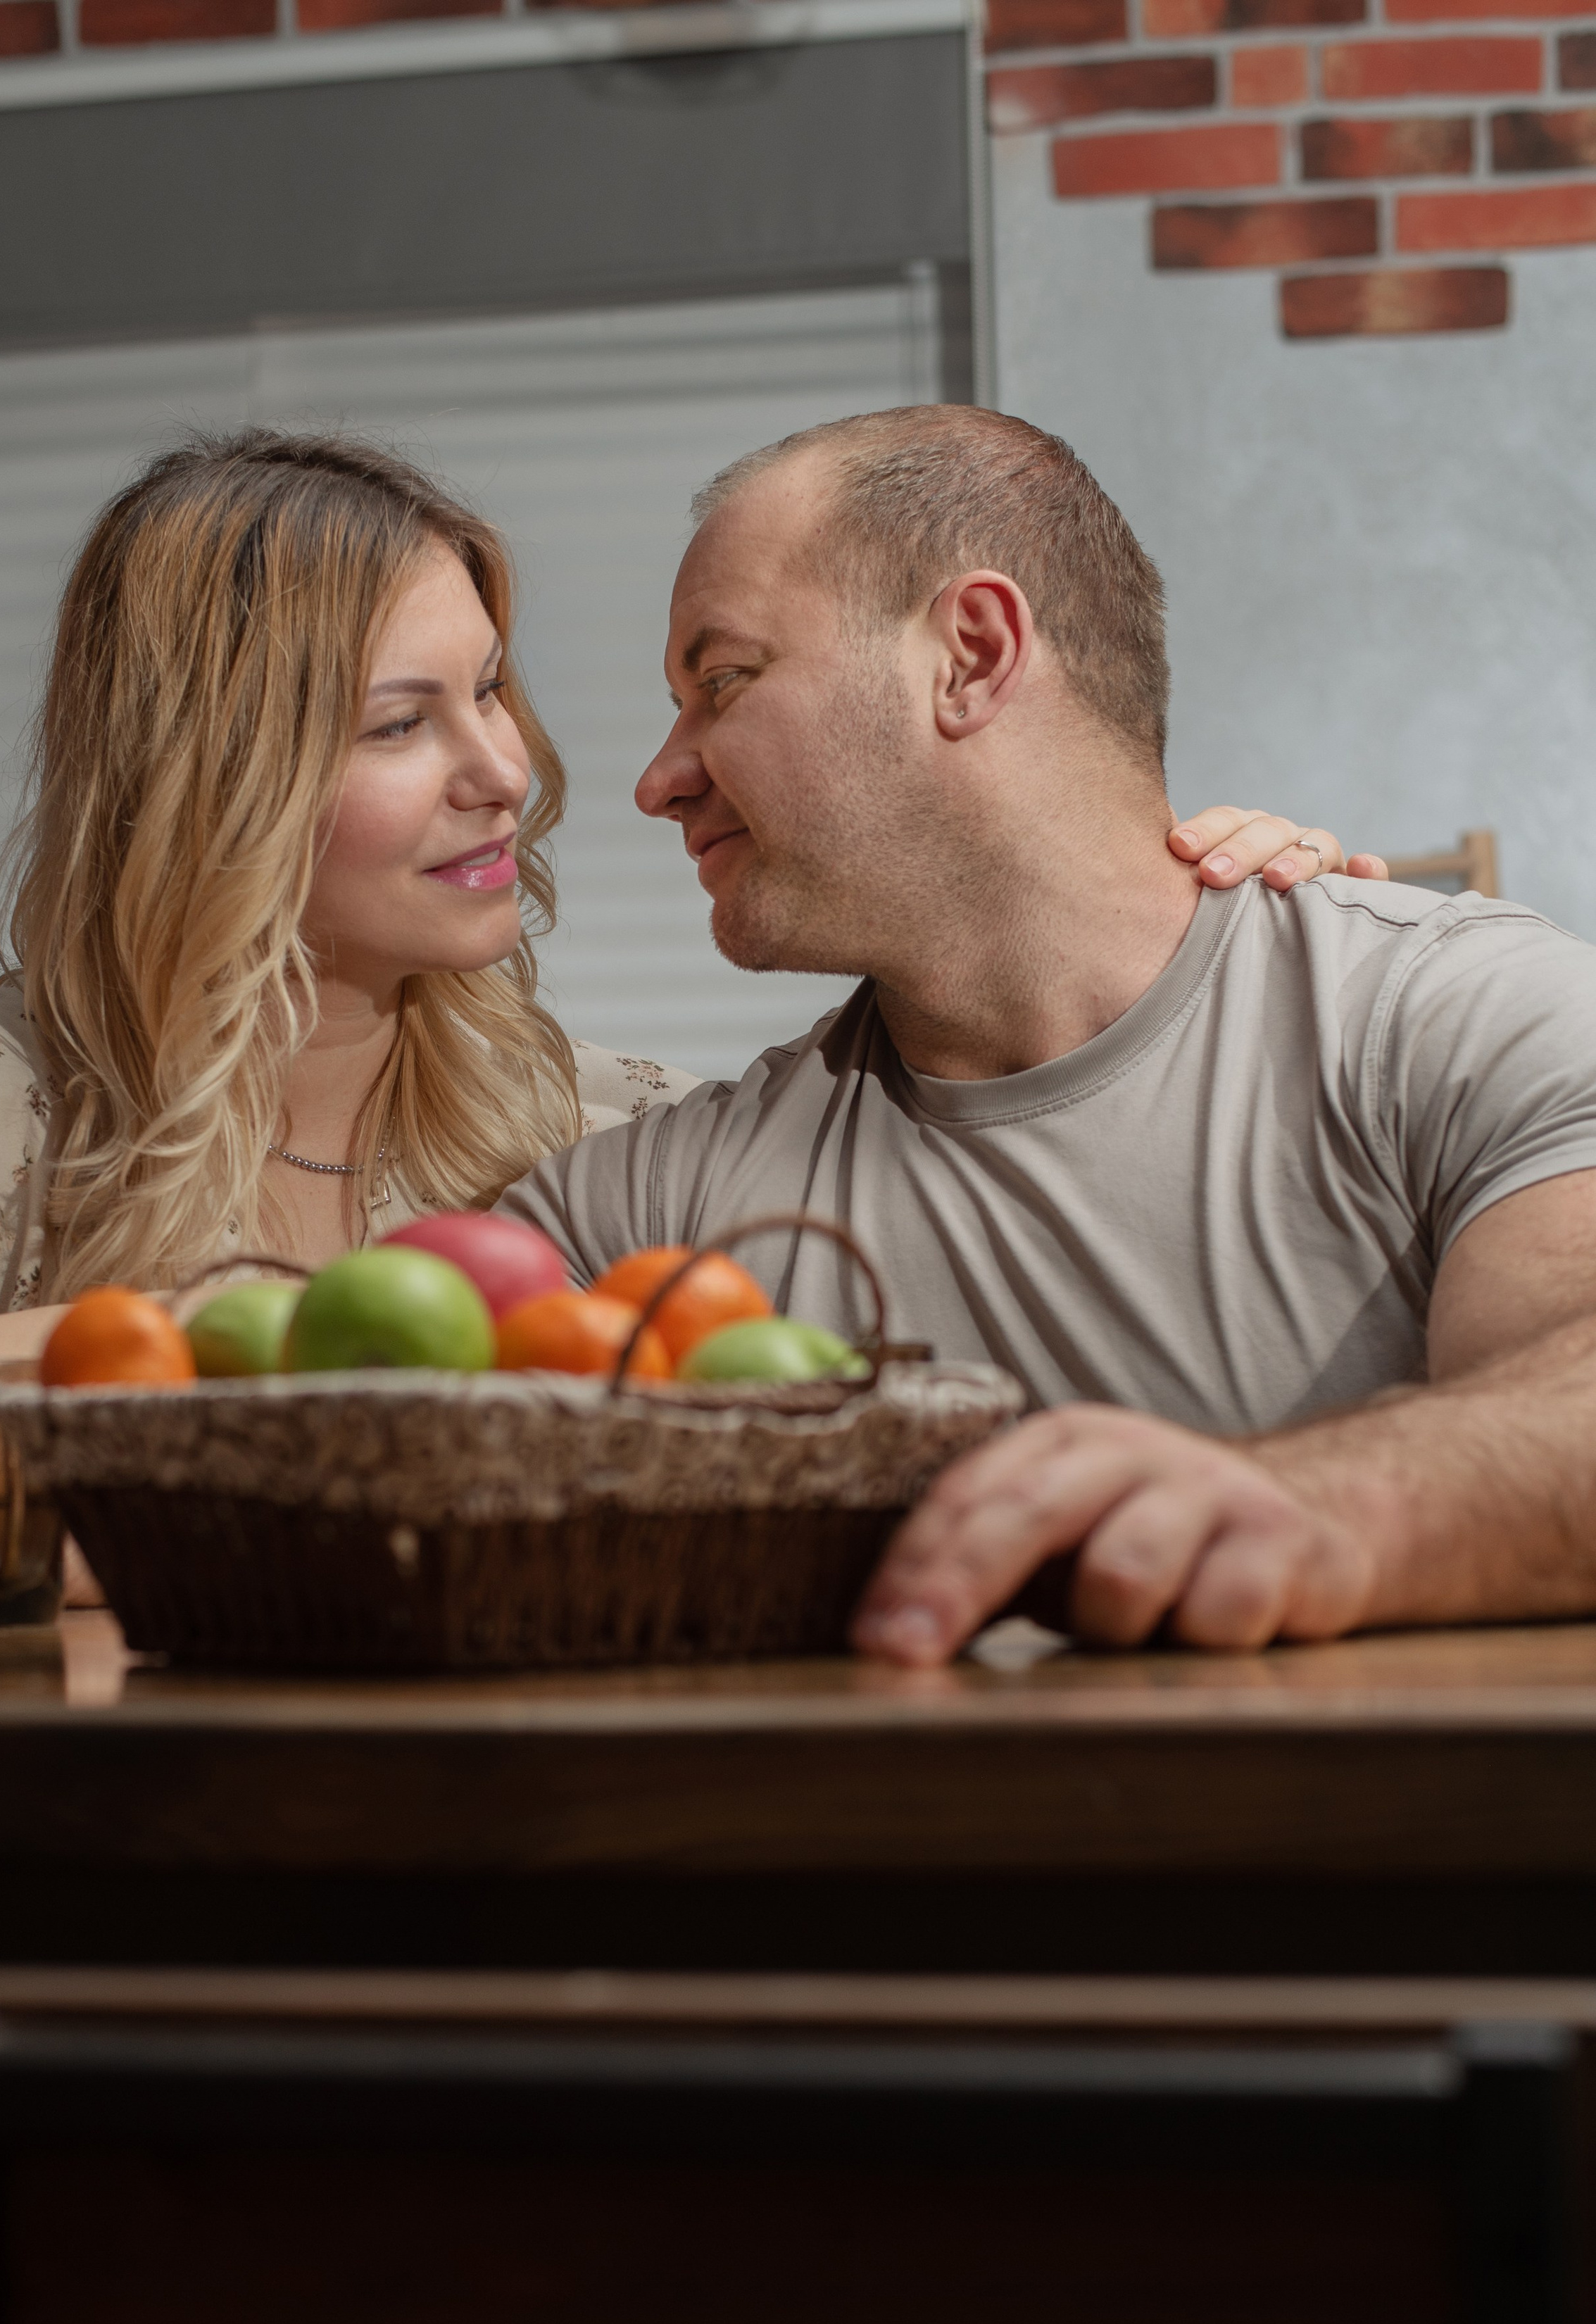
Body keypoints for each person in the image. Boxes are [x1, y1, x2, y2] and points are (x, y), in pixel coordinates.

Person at [0, 421, 1349, 2324]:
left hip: (469, 1978)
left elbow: (1006, 1111)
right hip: (3, 1975)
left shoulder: (603, 1141)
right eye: (401, 721)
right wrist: (178, 1410)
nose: (509, 770)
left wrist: (1197, 919)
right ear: (211, 777)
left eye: (497, 691)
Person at [500, 401, 1596, 1664]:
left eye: (724, 682)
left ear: (971, 656)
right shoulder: (640, 1216)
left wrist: (1316, 1508)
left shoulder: (1460, 1016)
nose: (659, 779)